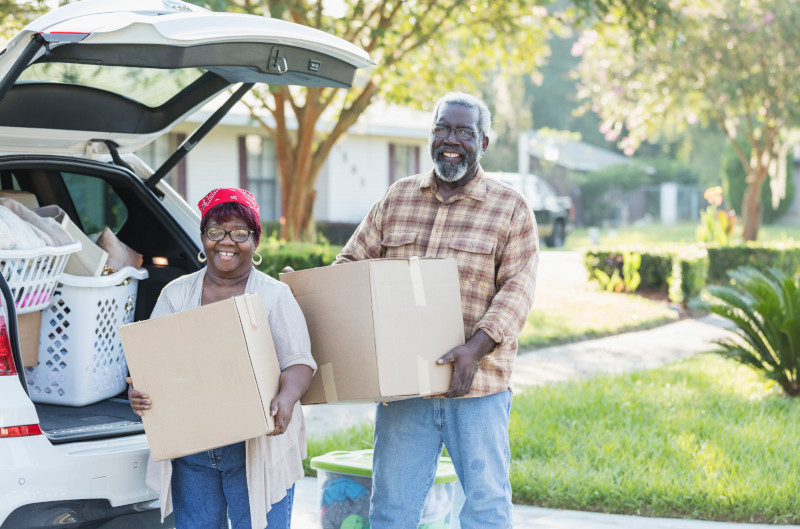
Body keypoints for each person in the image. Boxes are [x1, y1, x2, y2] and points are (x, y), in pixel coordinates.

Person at [334, 93, 538, 528]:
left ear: (483, 142)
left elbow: (517, 291)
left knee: (486, 510)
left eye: (465, 132)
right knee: (391, 511)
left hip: (479, 388)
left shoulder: (510, 208)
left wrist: (474, 349)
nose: (451, 140)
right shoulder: (398, 197)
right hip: (404, 388)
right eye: (442, 129)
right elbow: (350, 265)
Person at [127, 188, 315, 529]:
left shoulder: (274, 295)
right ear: (203, 238)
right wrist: (141, 392)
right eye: (215, 231)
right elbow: (153, 361)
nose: (226, 242)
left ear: (255, 241)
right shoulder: (176, 294)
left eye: (240, 233)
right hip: (193, 448)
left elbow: (299, 361)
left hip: (257, 446)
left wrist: (287, 398)